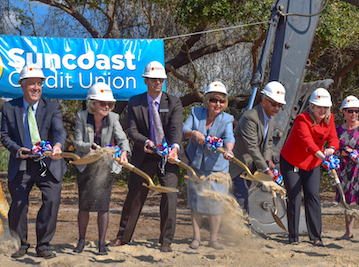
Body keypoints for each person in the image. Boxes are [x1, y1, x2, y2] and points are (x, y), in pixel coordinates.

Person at [109, 61, 183, 252]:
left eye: (161, 79)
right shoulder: (135, 102)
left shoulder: (173, 101)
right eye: (154, 79)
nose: (158, 82)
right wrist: (146, 143)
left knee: (169, 196)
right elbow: (132, 130)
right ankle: (123, 237)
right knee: (135, 195)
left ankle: (166, 241)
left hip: (168, 157)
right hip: (145, 155)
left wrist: (174, 148)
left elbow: (176, 129)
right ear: (146, 81)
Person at [0, 64, 67, 259]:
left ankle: (43, 244)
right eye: (31, 84)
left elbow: (59, 131)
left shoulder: (53, 107)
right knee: (19, 204)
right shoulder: (9, 107)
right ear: (22, 86)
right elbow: (4, 136)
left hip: (48, 163)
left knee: (52, 201)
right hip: (22, 162)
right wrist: (17, 150)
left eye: (39, 84)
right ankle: (20, 243)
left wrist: (57, 147)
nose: (36, 88)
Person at [73, 83, 130, 255]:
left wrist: (124, 152)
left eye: (110, 104)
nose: (107, 107)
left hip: (105, 168)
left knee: (103, 206)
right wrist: (89, 146)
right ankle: (81, 240)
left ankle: (101, 243)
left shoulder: (113, 118)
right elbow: (77, 142)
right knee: (84, 206)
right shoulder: (81, 117)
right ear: (93, 103)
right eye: (103, 103)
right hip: (86, 167)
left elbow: (122, 139)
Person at [280, 88, 339, 246]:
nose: (323, 110)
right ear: (312, 107)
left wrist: (331, 149)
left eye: (325, 107)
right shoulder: (302, 119)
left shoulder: (330, 119)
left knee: (313, 196)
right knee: (295, 196)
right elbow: (308, 142)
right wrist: (323, 156)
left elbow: (334, 139)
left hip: (313, 163)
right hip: (293, 161)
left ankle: (315, 237)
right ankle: (293, 237)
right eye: (319, 106)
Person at [183, 81, 235, 250]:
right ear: (207, 100)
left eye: (221, 101)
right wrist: (194, 133)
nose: (217, 104)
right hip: (196, 166)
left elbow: (229, 138)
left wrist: (228, 150)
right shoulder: (195, 112)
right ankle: (196, 238)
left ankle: (213, 239)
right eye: (214, 100)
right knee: (196, 202)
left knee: (216, 204)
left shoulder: (227, 119)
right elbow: (184, 130)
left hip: (217, 168)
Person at [230, 81, 286, 211]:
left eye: (280, 105)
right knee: (241, 196)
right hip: (239, 163)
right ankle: (239, 227)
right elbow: (252, 147)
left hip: (252, 163)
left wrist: (267, 159)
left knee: (245, 194)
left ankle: (243, 224)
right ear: (264, 100)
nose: (277, 108)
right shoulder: (250, 117)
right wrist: (266, 169)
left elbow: (268, 141)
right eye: (274, 104)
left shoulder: (270, 117)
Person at [335, 95, 359, 244]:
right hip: (345, 168)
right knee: (348, 201)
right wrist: (342, 153)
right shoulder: (338, 130)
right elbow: (334, 148)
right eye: (350, 111)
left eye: (356, 111)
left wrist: (356, 153)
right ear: (344, 112)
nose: (354, 114)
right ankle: (348, 232)